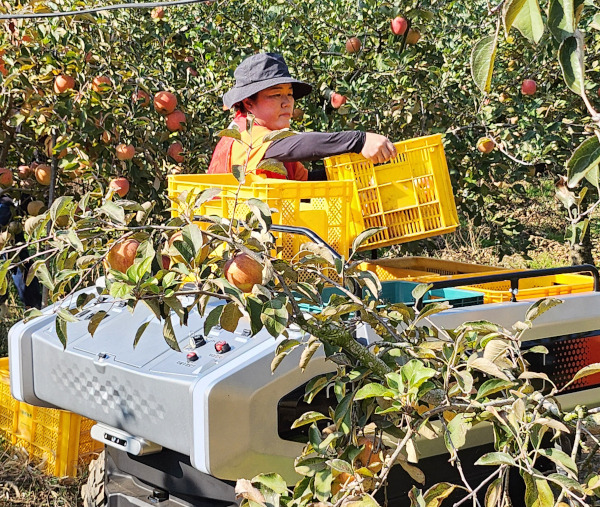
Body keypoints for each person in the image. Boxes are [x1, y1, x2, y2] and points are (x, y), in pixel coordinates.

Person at [208, 53, 397, 180]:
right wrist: (359, 140)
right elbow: (297, 145)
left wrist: (368, 173)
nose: (287, 102)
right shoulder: (244, 135)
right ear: (249, 103)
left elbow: (306, 182)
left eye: (289, 94)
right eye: (275, 94)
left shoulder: (275, 140)